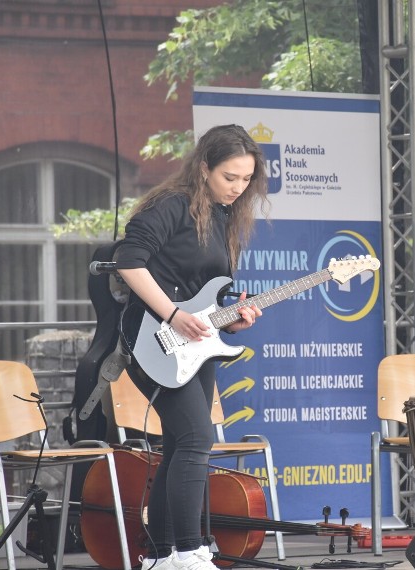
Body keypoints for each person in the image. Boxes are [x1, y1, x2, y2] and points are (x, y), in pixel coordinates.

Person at [115, 124, 269, 570]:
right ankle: (187, 552)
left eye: (245, 181)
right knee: (198, 438)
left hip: (193, 344)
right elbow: (129, 261)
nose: (237, 190)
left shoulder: (223, 217)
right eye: (229, 178)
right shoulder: (170, 206)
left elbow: (205, 298)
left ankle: (162, 556)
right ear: (204, 168)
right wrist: (171, 315)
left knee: (184, 442)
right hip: (151, 337)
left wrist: (234, 321)